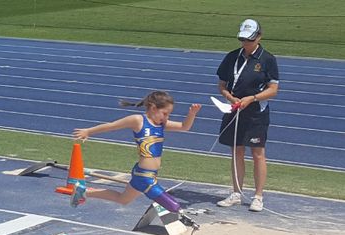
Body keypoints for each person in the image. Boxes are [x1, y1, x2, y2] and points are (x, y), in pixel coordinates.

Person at [71, 90, 201, 213]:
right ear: (153, 108)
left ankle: (83, 192)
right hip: (143, 176)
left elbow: (185, 127)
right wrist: (88, 131)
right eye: (165, 113)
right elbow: (112, 126)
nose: (166, 117)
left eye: (169, 114)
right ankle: (182, 217)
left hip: (150, 173)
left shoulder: (162, 124)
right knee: (171, 204)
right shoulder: (138, 120)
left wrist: (192, 114)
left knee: (123, 199)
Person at [215, 19, 279, 212]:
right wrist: (229, 97)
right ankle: (236, 192)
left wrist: (252, 98)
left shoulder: (267, 59)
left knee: (257, 152)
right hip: (235, 109)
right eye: (243, 39)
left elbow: (273, 89)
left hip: (255, 113)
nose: (245, 43)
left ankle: (258, 196)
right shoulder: (232, 57)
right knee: (236, 151)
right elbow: (222, 85)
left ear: (258, 37)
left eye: (249, 40)